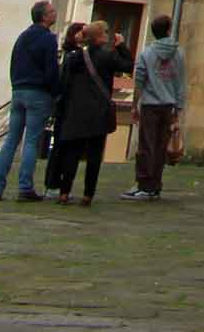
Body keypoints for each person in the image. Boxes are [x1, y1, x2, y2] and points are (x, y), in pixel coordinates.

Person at [50, 20, 133, 207]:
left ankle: (64, 192)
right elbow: (127, 65)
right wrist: (121, 46)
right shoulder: (107, 56)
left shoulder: (75, 58)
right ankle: (88, 195)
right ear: (99, 36)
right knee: (94, 156)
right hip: (97, 112)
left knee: (72, 154)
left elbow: (65, 83)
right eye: (105, 32)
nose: (107, 35)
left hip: (76, 111)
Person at [0, 0, 61, 202]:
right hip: (38, 93)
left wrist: (16, 85)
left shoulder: (23, 36)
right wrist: (56, 92)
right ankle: (25, 187)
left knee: (11, 140)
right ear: (45, 17)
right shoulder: (48, 39)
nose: (55, 14)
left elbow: (14, 63)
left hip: (19, 90)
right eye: (52, 11)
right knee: (31, 141)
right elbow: (51, 70)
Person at [123, 13, 186, 201]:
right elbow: (180, 82)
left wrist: (135, 104)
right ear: (168, 29)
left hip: (151, 104)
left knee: (146, 146)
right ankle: (155, 185)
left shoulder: (147, 53)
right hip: (169, 105)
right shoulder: (179, 53)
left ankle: (144, 184)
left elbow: (140, 79)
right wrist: (179, 109)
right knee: (160, 147)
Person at [42, 23, 87, 198]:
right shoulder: (74, 55)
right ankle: (53, 184)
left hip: (66, 107)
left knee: (62, 147)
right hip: (66, 107)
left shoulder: (72, 54)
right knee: (61, 147)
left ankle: (55, 184)